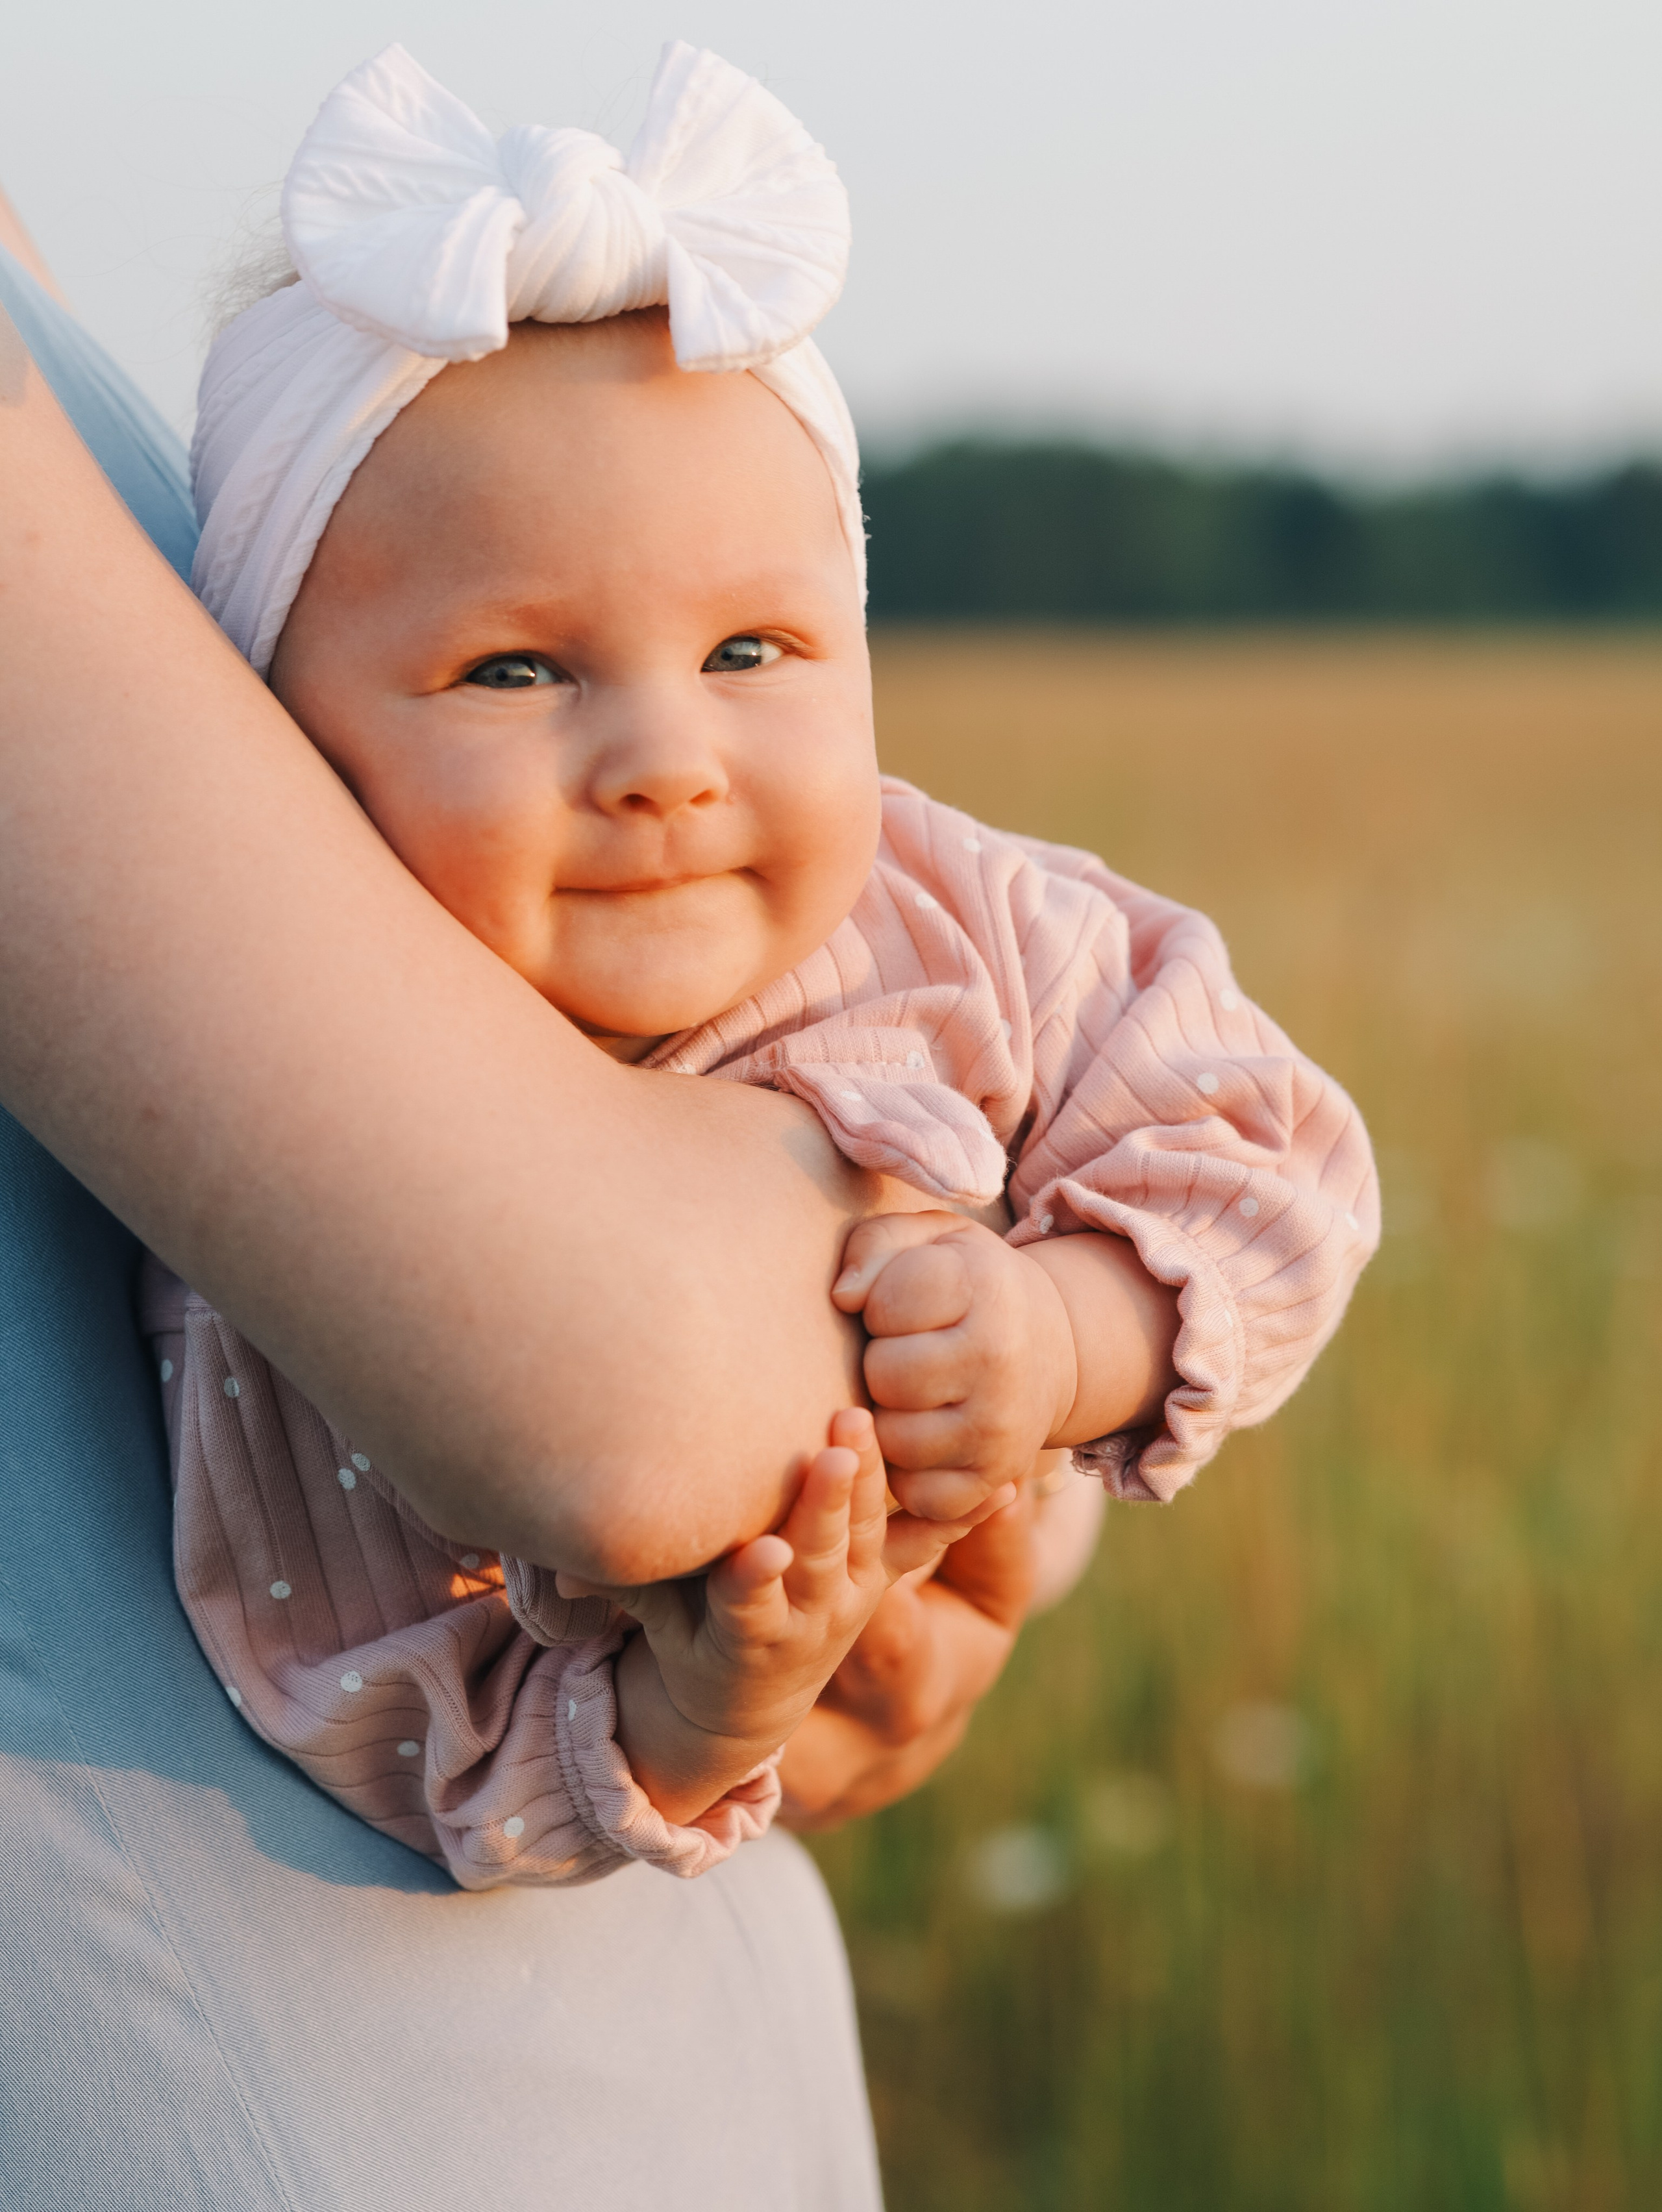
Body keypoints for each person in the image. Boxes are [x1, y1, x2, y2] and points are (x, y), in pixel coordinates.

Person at [145, 44, 1376, 1887]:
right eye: (514, 670)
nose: (666, 759)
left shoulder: (947, 905)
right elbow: (349, 1684)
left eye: (751, 652)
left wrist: (1061, 1334)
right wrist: (695, 1713)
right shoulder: (307, 1110)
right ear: (282, 741)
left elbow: (1275, 1154)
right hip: (542, 1896)